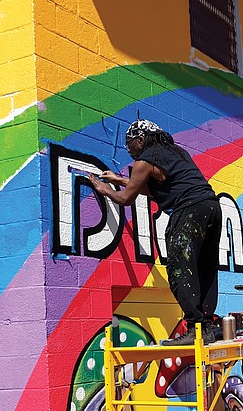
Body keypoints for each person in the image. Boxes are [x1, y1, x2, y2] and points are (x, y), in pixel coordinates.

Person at [89, 120, 222, 346]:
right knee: (205, 268)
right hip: (211, 207)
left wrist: (104, 189)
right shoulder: (175, 153)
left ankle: (194, 328)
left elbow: (125, 198)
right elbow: (154, 189)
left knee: (180, 268)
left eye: (129, 143)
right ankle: (207, 327)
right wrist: (120, 179)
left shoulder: (144, 161)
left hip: (188, 210)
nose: (128, 149)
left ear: (141, 140)